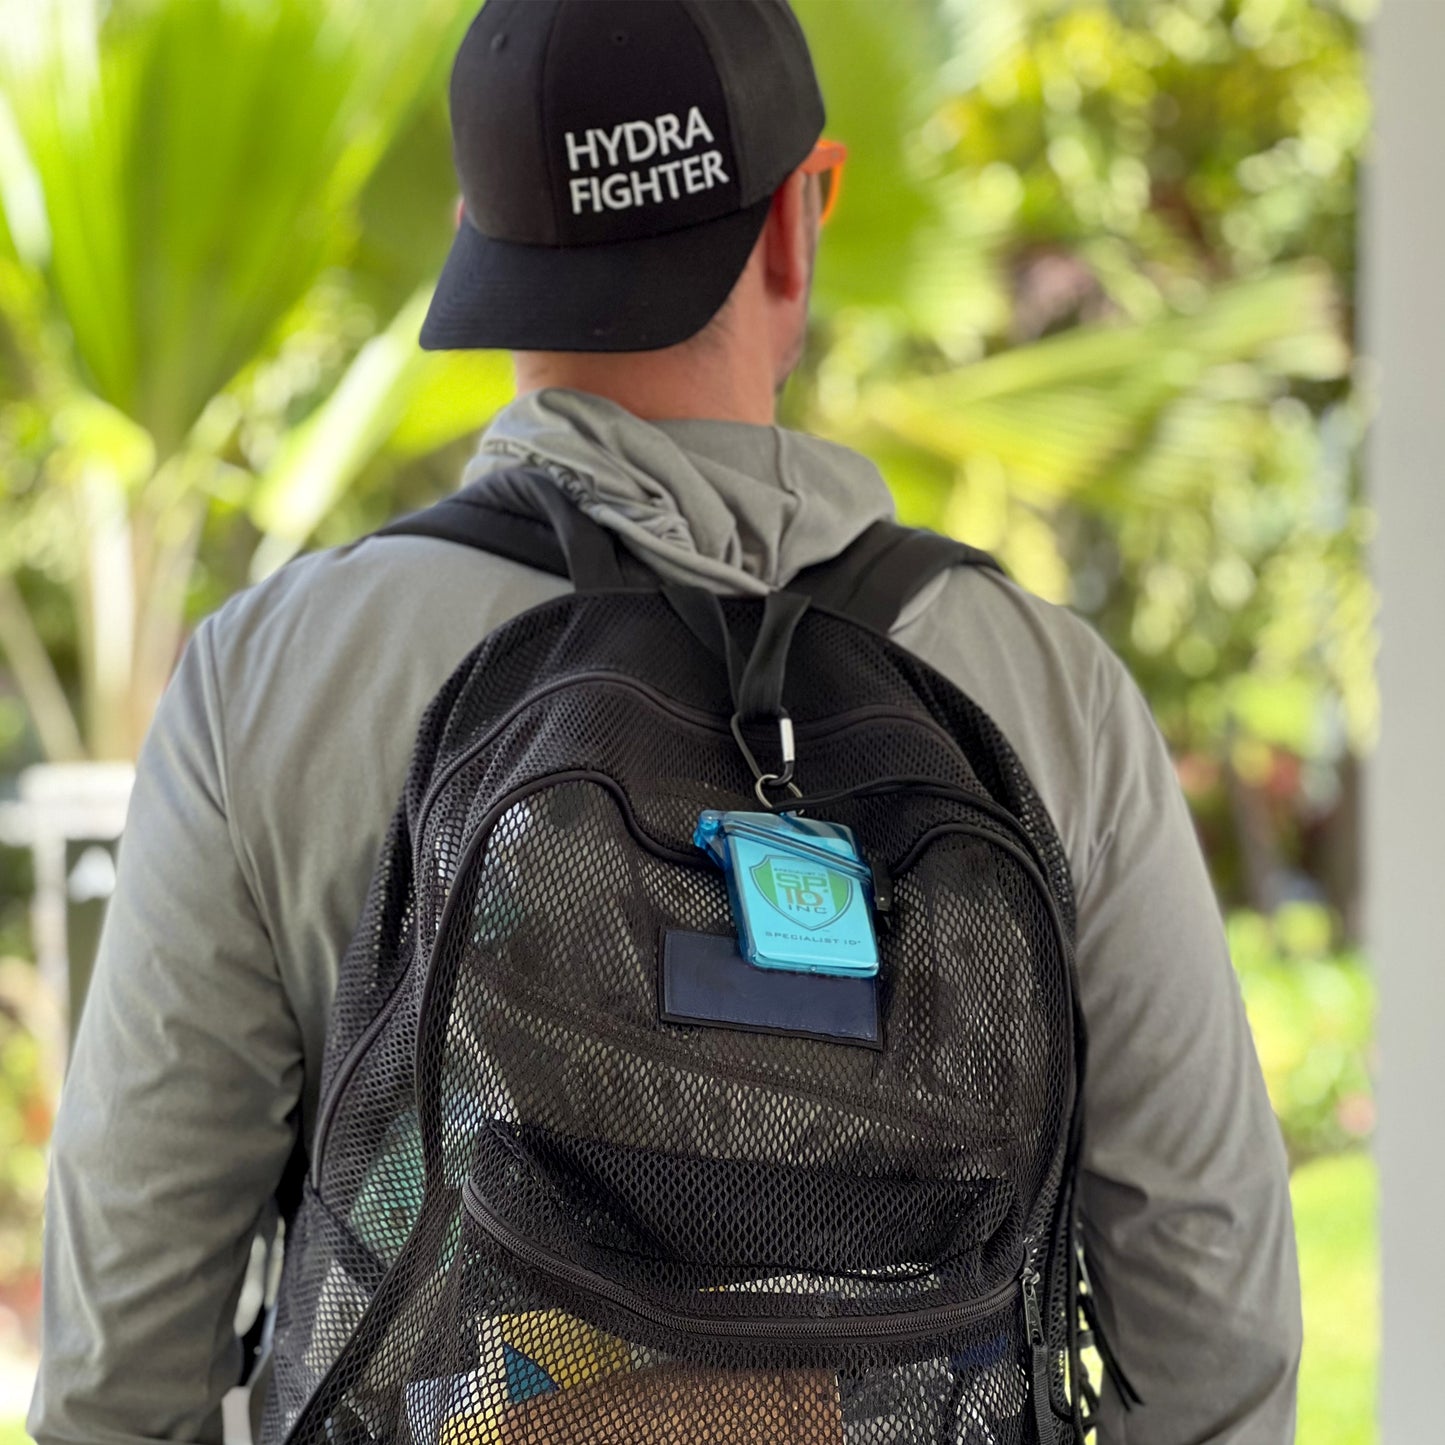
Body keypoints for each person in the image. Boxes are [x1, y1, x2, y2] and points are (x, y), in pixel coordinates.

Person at [29, 2, 1301, 1442]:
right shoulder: (1040, 690)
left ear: (479, 242)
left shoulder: (274, 678)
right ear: (795, 220)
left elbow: (123, 1353)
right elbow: (1211, 1323)